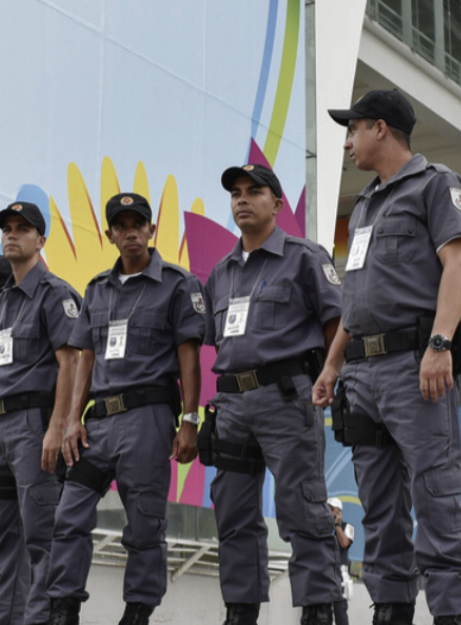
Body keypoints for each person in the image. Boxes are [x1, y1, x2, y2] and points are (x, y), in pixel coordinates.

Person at [315, 89, 461, 625]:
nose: (348, 141)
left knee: (436, 494)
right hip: (362, 372)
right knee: (377, 504)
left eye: (352, 129)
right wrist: (333, 364)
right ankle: (391, 610)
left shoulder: (435, 185)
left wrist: (440, 343)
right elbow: (355, 300)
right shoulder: (364, 206)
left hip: (414, 366)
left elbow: (458, 266)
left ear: (380, 128)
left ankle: (450, 613)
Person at [45, 193, 205, 625]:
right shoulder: (97, 288)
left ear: (152, 230)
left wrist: (190, 421)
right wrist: (73, 419)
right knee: (69, 511)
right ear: (110, 234)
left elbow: (189, 356)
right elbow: (86, 357)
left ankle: (137, 611)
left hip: (147, 417)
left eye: (139, 223)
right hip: (98, 423)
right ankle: (63, 607)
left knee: (144, 524)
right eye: (122, 224)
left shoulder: (177, 283)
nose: (131, 231)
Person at [202, 164, 343, 625]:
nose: (242, 199)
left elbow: (338, 320)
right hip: (232, 405)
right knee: (235, 513)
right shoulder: (221, 273)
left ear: (278, 203)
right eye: (236, 193)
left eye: (254, 192)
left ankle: (319, 609)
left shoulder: (304, 257)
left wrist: (329, 374)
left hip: (287, 398)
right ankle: (240, 612)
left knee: (302, 506)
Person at [0, 201, 81, 625]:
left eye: (23, 229)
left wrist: (57, 426)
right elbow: (4, 370)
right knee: (7, 542)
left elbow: (71, 364)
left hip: (34, 427)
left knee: (42, 538)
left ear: (40, 240)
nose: (12, 234)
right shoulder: (2, 304)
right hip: (1, 429)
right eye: (7, 228)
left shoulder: (55, 294)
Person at [327, 498, 355, 625]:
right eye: (330, 510)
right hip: (324, 572)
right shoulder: (321, 528)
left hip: (340, 574)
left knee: (340, 611)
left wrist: (337, 525)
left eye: (336, 511)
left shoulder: (347, 527)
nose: (333, 514)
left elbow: (344, 543)